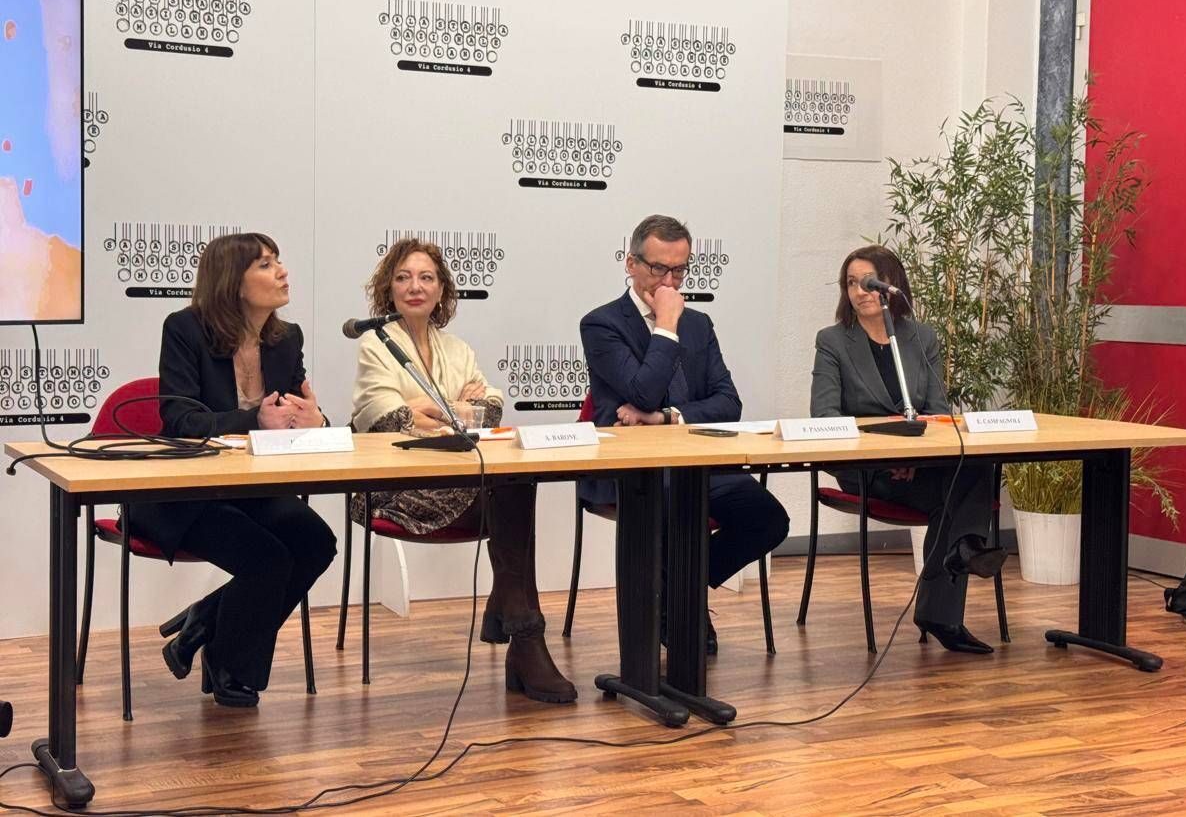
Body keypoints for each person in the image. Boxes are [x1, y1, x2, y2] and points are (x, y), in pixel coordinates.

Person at [350, 238, 576, 704]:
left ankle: (517, 621)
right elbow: (383, 417)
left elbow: (491, 407)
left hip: (461, 477)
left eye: (426, 277)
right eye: (403, 278)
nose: (415, 287)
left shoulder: (456, 348)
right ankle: (523, 634)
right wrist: (452, 407)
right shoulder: (376, 343)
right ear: (388, 289)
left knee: (514, 482)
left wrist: (429, 408)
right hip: (398, 487)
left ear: (442, 290)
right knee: (510, 492)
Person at [128, 232, 337, 706]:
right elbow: (180, 420)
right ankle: (229, 665)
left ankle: (206, 621)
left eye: (278, 260)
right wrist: (253, 421)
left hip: (249, 488)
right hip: (181, 494)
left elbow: (293, 417)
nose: (282, 271)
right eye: (265, 264)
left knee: (315, 542)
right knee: (267, 560)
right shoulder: (184, 329)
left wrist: (316, 421)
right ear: (233, 282)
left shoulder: (286, 340)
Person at [579, 214, 790, 654]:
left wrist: (665, 417)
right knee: (671, 506)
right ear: (631, 264)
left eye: (679, 270)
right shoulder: (602, 324)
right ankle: (673, 612)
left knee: (768, 517)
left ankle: (681, 593)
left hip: (695, 463)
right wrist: (666, 325)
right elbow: (642, 389)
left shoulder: (699, 324)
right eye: (658, 268)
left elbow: (728, 403)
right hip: (630, 469)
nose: (669, 282)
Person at [810, 244, 1007, 654]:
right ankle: (956, 575)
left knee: (975, 466)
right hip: (865, 466)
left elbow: (937, 411)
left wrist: (918, 457)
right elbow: (825, 416)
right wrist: (892, 453)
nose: (859, 292)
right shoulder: (833, 341)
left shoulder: (920, 337)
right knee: (956, 496)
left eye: (868, 282)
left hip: (920, 463)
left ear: (891, 285)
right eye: (851, 283)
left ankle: (959, 560)